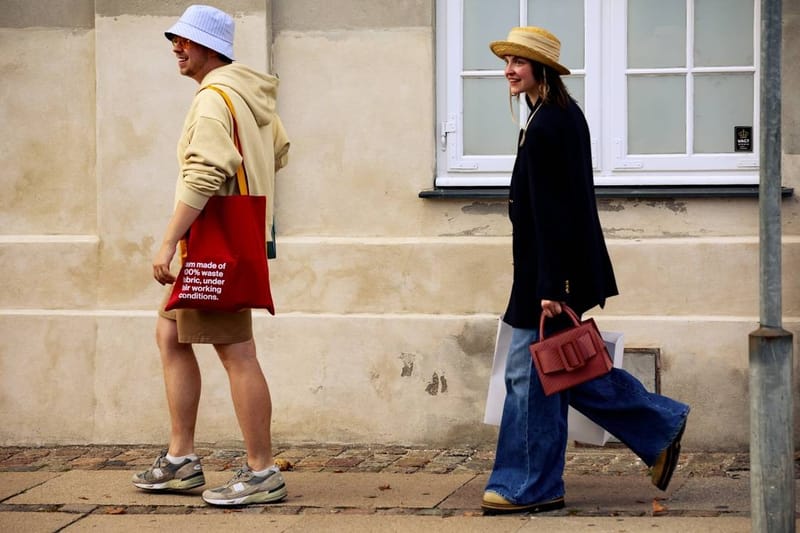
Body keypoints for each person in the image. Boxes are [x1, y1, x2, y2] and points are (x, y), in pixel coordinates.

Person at [481, 26, 690, 515]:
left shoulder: (551, 122)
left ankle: (529, 485)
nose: (509, 70)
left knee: (529, 376)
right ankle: (659, 428)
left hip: (549, 274)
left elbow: (555, 210)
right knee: (564, 372)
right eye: (507, 61)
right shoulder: (549, 115)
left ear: (542, 68)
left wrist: (552, 285)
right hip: (545, 271)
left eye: (518, 62)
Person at [131, 4, 290, 507]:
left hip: (213, 248)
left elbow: (205, 172)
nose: (176, 48)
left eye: (185, 40)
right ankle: (181, 459)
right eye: (173, 40)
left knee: (237, 352)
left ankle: (263, 470)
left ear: (210, 48)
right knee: (170, 332)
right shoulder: (247, 95)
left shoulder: (212, 99)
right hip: (232, 243)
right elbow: (280, 147)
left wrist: (166, 240)